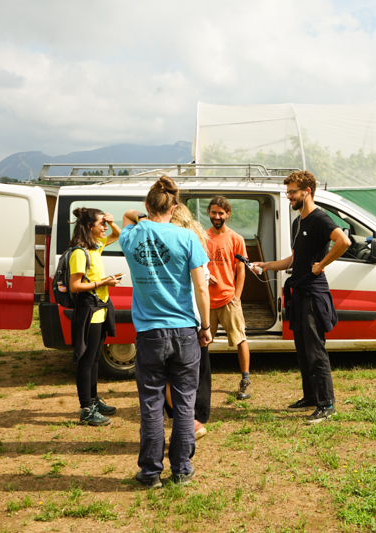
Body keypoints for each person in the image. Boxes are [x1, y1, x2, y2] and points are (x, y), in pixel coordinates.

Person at [119, 177, 212, 488]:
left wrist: (145, 217)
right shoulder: (187, 238)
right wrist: (206, 326)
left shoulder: (132, 236)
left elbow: (127, 216)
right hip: (185, 330)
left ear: (148, 206)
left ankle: (149, 472)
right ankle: (182, 468)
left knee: (151, 405)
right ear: (175, 208)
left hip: (149, 333)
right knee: (184, 404)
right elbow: (201, 286)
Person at [251, 171, 350, 424]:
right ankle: (310, 397)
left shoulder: (319, 218)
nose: (288, 196)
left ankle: (326, 404)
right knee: (303, 350)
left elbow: (343, 241)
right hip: (299, 291)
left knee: (315, 350)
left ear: (306, 192)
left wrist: (321, 264)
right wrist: (265, 265)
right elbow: (293, 260)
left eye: (292, 192)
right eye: (288, 192)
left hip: (313, 291)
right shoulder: (298, 222)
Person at [68, 208, 121, 426]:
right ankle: (86, 409)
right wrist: (104, 282)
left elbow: (117, 235)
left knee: (96, 359)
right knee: (86, 361)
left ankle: (93, 400)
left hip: (100, 310)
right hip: (89, 312)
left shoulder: (95, 247)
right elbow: (75, 285)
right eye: (102, 224)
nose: (105, 227)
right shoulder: (80, 253)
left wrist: (112, 220)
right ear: (90, 226)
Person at [165, 204, 212, 441]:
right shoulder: (197, 242)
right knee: (196, 374)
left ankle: (186, 422)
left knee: (170, 377)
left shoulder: (171, 242)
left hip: (176, 317)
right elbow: (204, 285)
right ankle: (194, 417)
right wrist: (206, 325)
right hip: (194, 318)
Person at [205, 196, 253, 400]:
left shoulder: (236, 239)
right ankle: (199, 381)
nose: (217, 216)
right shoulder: (201, 237)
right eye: (214, 212)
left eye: (221, 213)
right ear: (209, 213)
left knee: (240, 339)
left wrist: (237, 297)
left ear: (228, 214)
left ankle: (246, 380)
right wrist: (206, 276)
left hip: (228, 298)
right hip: (205, 300)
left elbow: (241, 271)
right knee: (202, 341)